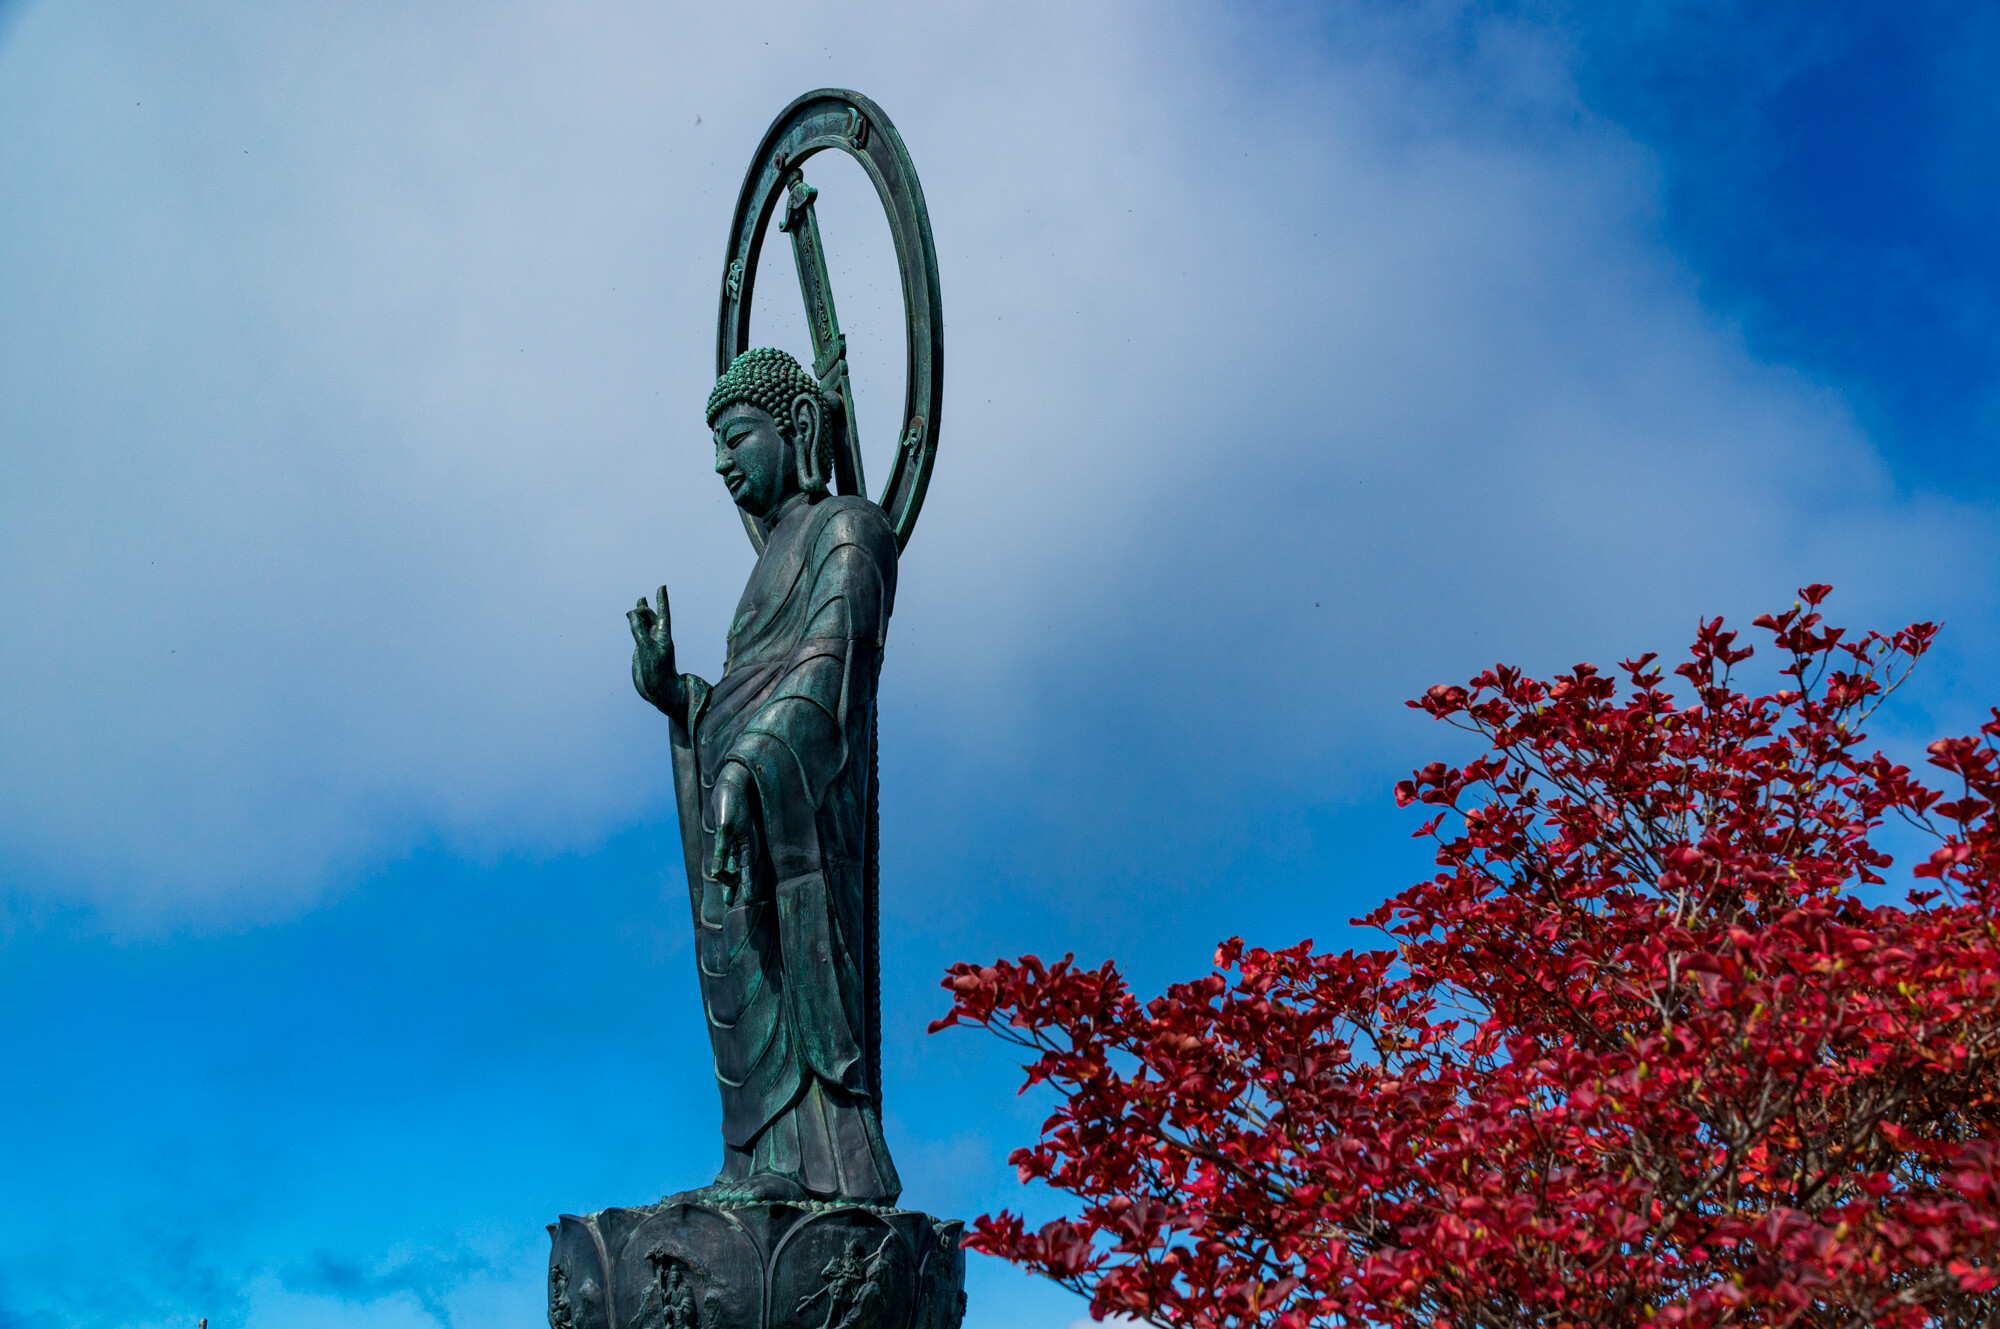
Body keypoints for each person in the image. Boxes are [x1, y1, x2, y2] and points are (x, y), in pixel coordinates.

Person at [628, 347, 900, 1204]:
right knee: (745, 986)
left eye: (737, 437)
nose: (722, 463)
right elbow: (747, 685)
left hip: (799, 815)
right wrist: (681, 698)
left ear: (799, 426)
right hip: (743, 802)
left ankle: (823, 1169)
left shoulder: (850, 530)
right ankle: (757, 1160)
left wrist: (751, 762)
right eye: (714, 445)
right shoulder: (769, 559)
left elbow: (827, 667)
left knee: (802, 976)